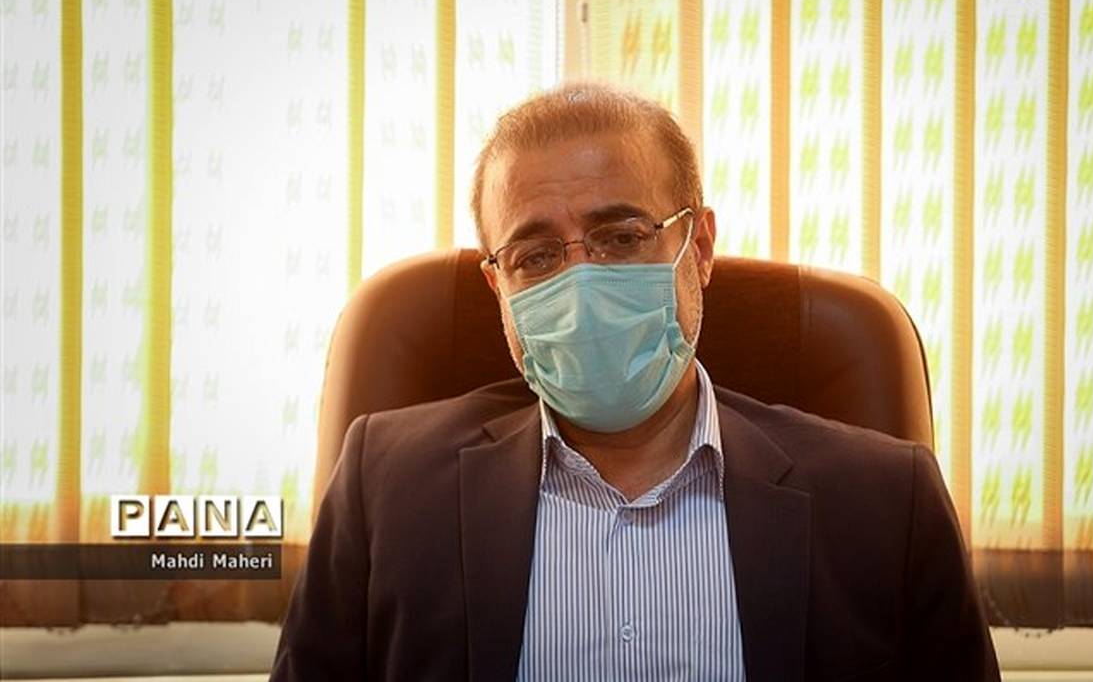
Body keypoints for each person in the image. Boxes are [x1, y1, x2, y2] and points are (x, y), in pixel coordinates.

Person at [271, 83, 1000, 681]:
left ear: (699, 247)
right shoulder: (386, 485)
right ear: (498, 286)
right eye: (535, 256)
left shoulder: (887, 502)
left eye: (621, 238)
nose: (581, 282)